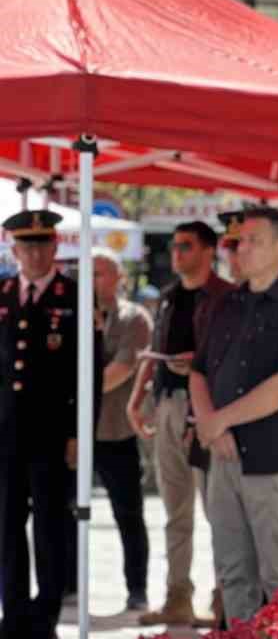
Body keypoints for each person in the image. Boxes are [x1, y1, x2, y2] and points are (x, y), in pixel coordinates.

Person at [189, 206, 278, 624]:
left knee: (277, 576)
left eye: (253, 241)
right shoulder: (223, 304)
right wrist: (211, 426)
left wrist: (221, 420)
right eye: (239, 241)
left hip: (270, 459)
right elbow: (198, 372)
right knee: (232, 572)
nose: (241, 249)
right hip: (222, 456)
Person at [0, 211, 102, 639]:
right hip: (6, 433)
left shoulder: (75, 297)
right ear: (14, 250)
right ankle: (13, 617)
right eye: (26, 246)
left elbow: (89, 374)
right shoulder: (4, 294)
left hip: (52, 434)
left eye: (42, 245)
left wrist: (80, 432)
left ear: (56, 248)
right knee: (6, 527)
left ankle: (45, 620)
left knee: (50, 528)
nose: (35, 254)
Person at [128, 221, 233, 627]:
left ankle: (225, 598)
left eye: (186, 246)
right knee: (175, 510)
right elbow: (154, 350)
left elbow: (233, 357)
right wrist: (137, 399)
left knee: (217, 509)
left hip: (207, 407)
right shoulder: (170, 296)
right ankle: (177, 595)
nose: (176, 253)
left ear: (209, 251)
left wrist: (199, 365)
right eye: (174, 246)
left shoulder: (226, 297)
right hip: (168, 402)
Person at [90, 248, 153, 613]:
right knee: (62, 513)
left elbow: (122, 370)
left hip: (116, 431)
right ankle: (66, 586)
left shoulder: (134, 318)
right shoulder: (69, 316)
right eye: (88, 273)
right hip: (75, 434)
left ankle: (137, 588)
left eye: (100, 273)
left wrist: (71, 390)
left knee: (128, 513)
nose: (92, 280)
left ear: (118, 278)